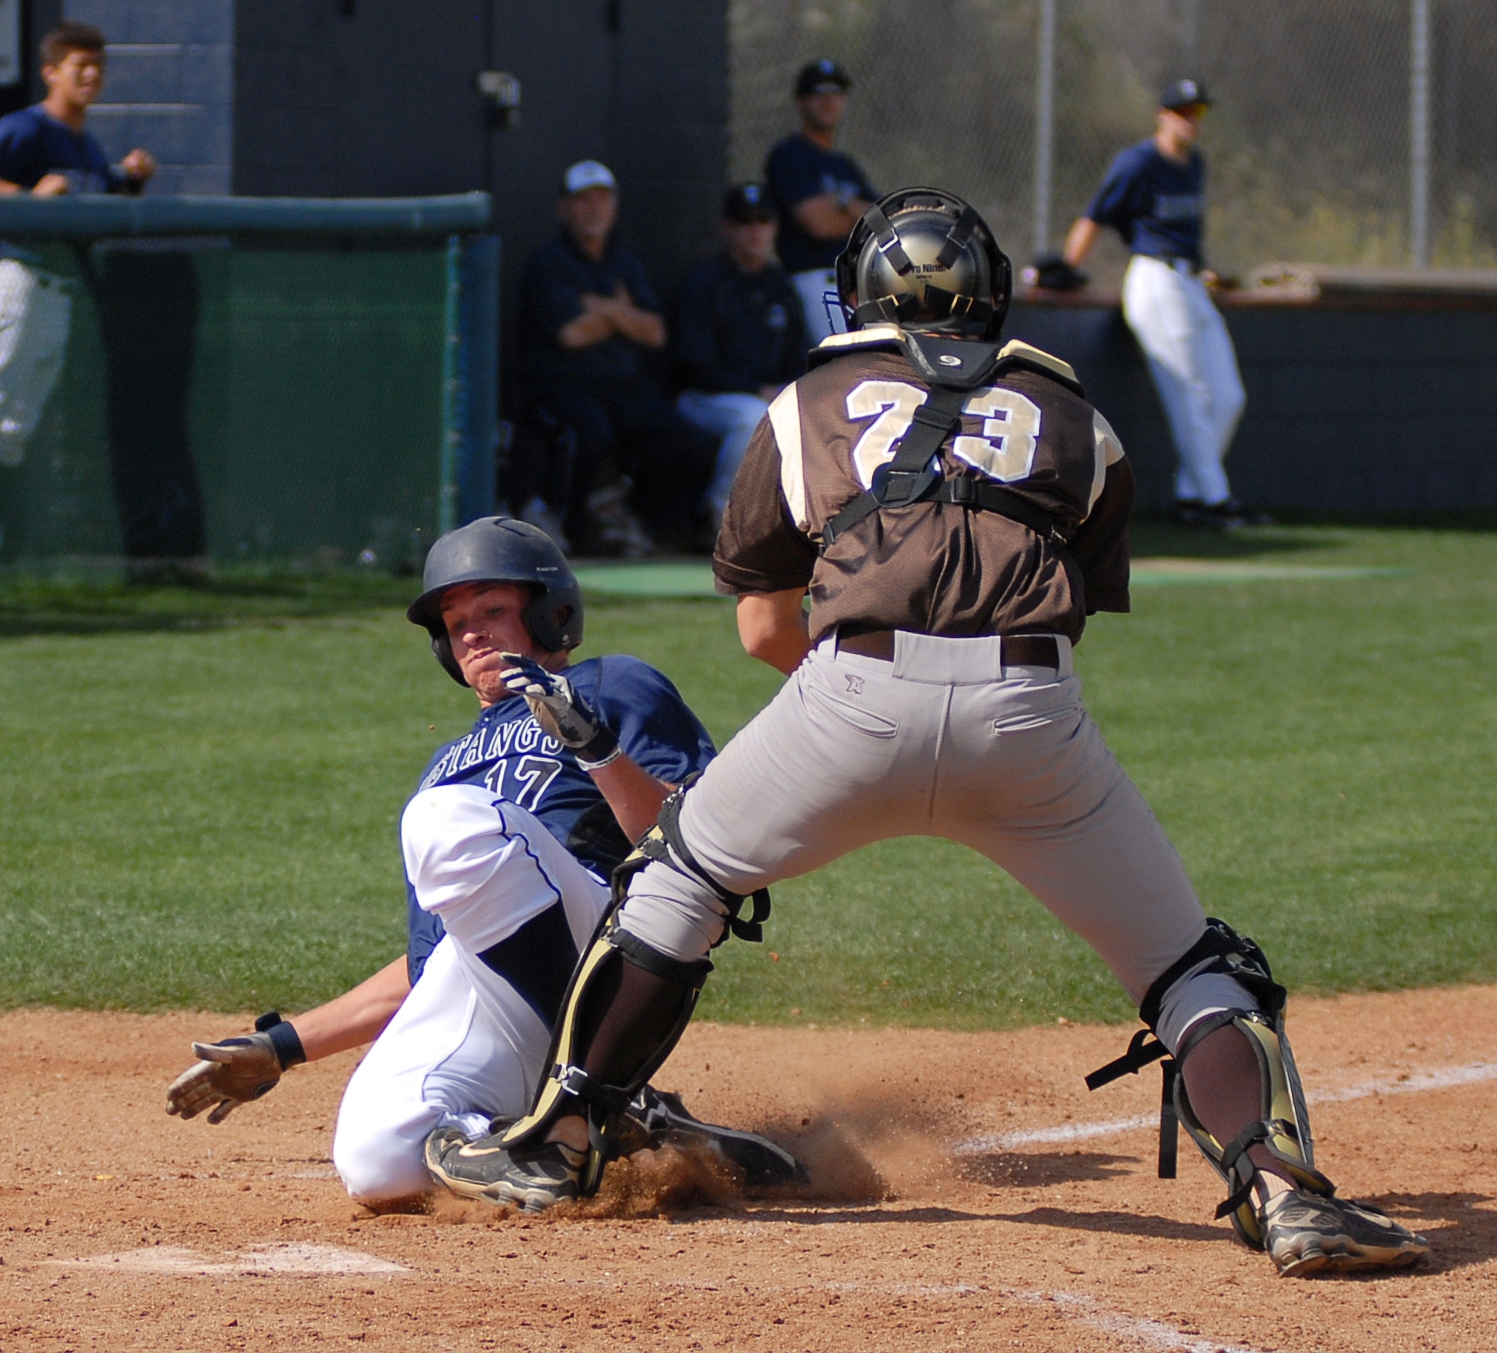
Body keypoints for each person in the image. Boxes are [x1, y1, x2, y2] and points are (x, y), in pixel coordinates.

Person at [429, 188, 1430, 1279]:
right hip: (1030, 711)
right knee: (1193, 966)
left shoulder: (806, 399)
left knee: (676, 882)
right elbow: (1068, 606)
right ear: (990, 294)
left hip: (850, 692)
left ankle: (559, 1142)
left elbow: (766, 621)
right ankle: (1283, 1193)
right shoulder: (1071, 408)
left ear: (859, 293)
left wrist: (859, 730)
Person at [164, 517, 801, 1204]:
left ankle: (599, 1079)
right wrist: (285, 1046)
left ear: (549, 612)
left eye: (492, 609)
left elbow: (700, 843)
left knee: (443, 818)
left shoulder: (613, 684)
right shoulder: (441, 774)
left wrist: (600, 751)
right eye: (455, 620)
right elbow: (435, 963)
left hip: (611, 945)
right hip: (515, 996)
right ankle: (628, 1124)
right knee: (377, 1161)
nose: (472, 631)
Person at [0, 20, 156, 584]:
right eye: (77, 66)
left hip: (57, 292)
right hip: (16, 279)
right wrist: (25, 194)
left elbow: (95, 196)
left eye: (97, 66)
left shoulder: (86, 145)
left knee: (14, 431)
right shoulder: (25, 128)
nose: (90, 76)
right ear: (51, 71)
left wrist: (127, 180)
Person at [1062, 79, 1263, 530]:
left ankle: (1192, 495)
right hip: (1155, 280)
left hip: (1190, 281)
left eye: (1197, 113)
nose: (1190, 121)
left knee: (1229, 396)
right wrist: (1063, 267)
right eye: (1182, 112)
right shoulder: (1138, 162)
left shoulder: (1194, 163)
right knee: (1189, 394)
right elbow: (1096, 213)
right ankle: (1215, 500)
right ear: (1162, 114)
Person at [519, 159, 717, 555]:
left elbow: (655, 332)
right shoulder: (548, 263)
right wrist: (623, 312)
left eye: (601, 200)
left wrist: (601, 308)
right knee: (589, 432)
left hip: (623, 387)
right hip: (561, 385)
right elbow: (571, 334)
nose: (593, 209)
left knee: (689, 441)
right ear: (564, 207)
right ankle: (561, 525)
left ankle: (640, 518)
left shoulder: (625, 264)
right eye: (583, 200)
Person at [671, 182, 808, 528]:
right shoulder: (707, 283)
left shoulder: (780, 286)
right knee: (754, 417)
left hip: (763, 397)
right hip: (704, 399)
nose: (755, 231)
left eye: (763, 221)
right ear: (727, 228)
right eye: (745, 222)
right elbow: (694, 367)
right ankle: (720, 515)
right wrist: (757, 389)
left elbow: (797, 358)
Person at [765, 59, 876, 347]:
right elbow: (820, 224)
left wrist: (840, 203)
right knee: (843, 363)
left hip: (859, 283)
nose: (828, 102)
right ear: (801, 102)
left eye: (836, 94)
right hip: (813, 279)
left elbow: (881, 221)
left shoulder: (845, 165)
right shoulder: (789, 155)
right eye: (819, 94)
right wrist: (853, 210)